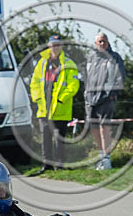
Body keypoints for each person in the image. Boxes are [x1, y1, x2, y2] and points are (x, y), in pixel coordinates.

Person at [29, 35, 80, 175]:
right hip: (44, 107)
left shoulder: (69, 63)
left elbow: (74, 85)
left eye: (58, 45)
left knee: (59, 137)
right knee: (45, 137)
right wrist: (36, 98)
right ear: (49, 46)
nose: (55, 47)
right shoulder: (41, 63)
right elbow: (34, 83)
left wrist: (61, 99)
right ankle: (46, 165)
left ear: (61, 46)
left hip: (60, 107)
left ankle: (60, 164)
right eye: (53, 45)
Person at [84, 32, 125, 170]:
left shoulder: (114, 57)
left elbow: (121, 76)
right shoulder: (91, 58)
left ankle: (107, 159)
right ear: (95, 43)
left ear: (108, 42)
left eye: (104, 41)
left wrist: (113, 93)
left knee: (104, 127)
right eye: (100, 41)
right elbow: (86, 76)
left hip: (107, 97)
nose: (102, 44)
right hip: (91, 98)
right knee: (94, 127)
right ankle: (101, 155)